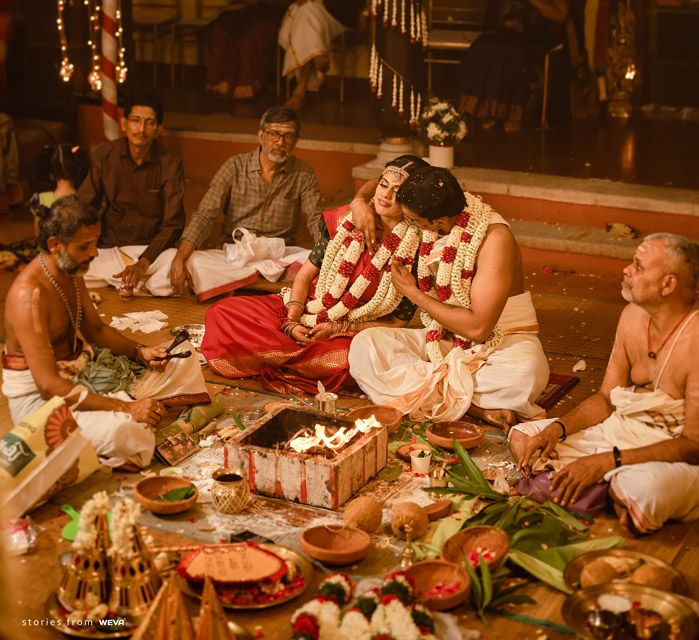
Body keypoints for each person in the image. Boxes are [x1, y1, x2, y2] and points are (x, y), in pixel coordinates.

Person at [509, 234, 699, 534]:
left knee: (649, 491)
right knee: (525, 437)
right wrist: (557, 430)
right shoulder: (632, 316)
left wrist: (606, 462)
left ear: (668, 285)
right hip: (621, 431)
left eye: (637, 266)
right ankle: (604, 492)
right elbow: (606, 398)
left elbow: (693, 446)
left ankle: (600, 485)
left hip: (674, 454)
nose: (626, 270)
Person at [1, 197, 208, 469]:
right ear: (55, 245)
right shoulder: (29, 296)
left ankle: (122, 413)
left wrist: (140, 353)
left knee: (184, 358)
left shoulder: (71, 272)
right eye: (85, 246)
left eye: (95, 242)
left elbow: (96, 330)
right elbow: (48, 385)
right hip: (41, 404)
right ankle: (120, 418)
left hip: (81, 381)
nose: (95, 253)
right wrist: (125, 408)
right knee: (124, 433)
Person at [201, 156, 428, 394]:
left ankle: (274, 357)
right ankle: (295, 360)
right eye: (384, 185)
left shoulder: (414, 250)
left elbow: (398, 322)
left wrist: (335, 329)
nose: (386, 195)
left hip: (351, 332)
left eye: (398, 191)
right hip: (305, 308)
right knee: (222, 314)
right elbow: (306, 275)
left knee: (351, 360)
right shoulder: (345, 221)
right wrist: (291, 320)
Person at [348, 168, 550, 426]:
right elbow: (384, 176)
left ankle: (436, 394)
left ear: (438, 222)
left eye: (413, 220)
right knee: (366, 346)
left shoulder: (494, 239)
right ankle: (476, 408)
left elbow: (478, 328)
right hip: (447, 339)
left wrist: (412, 292)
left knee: (526, 376)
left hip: (504, 342)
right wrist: (358, 202)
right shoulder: (437, 197)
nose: (407, 222)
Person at [168, 107, 322, 298]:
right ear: (261, 135)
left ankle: (244, 282)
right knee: (195, 262)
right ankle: (257, 280)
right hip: (235, 257)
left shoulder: (303, 173)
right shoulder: (234, 167)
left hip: (280, 257)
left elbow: (316, 218)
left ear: (295, 141)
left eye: (288, 136)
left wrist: (329, 253)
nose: (280, 142)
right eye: (273, 134)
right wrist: (180, 258)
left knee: (316, 262)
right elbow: (205, 215)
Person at [457, 0, 587, 132]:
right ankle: (487, 111)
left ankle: (512, 116)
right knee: (485, 45)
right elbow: (506, 9)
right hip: (514, 30)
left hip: (542, 34)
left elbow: (560, 16)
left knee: (513, 52)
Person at [78, 93, 185, 297]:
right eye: (135, 121)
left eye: (149, 123)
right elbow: (84, 205)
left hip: (151, 251)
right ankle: (137, 285)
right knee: (71, 268)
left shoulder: (170, 162)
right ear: (124, 123)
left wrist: (142, 264)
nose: (141, 129)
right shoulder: (106, 155)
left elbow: (174, 223)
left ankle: (128, 280)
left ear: (158, 129)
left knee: (179, 266)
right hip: (111, 248)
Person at [30, 142, 90, 236]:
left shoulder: (39, 200)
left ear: (50, 173)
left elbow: (38, 233)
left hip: (50, 249)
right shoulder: (86, 199)